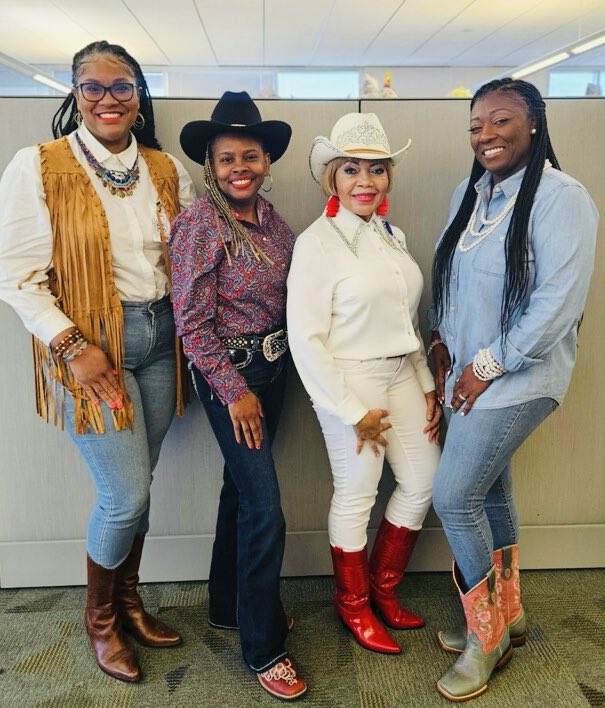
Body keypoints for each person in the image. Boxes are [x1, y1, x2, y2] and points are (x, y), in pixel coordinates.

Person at [0, 41, 195, 682]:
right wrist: (70, 346)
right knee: (125, 494)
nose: (108, 99)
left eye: (122, 86)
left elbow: (190, 260)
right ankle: (101, 620)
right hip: (92, 350)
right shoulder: (40, 166)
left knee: (142, 487)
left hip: (161, 338)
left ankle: (129, 599)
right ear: (75, 93)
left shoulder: (166, 169)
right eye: (93, 87)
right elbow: (16, 275)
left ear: (139, 95)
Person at [429, 78, 598, 702]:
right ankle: (510, 615)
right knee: (492, 493)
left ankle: (487, 636)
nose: (486, 134)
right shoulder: (470, 195)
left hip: (520, 377)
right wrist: (441, 342)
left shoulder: (562, 198)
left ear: (533, 125)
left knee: (455, 495)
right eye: (476, 124)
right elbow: (453, 279)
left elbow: (558, 304)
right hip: (468, 376)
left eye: (501, 120)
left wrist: (488, 365)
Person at [287, 113, 441, 655]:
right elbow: (306, 340)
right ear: (332, 177)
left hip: (402, 373)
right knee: (357, 492)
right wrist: (352, 410)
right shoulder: (316, 244)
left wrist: (424, 380)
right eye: (351, 169)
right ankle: (352, 606)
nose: (365, 181)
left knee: (424, 482)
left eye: (377, 169)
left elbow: (407, 319)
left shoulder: (392, 235)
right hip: (349, 382)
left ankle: (382, 590)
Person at [169, 91, 307, 701]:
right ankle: (263, 644)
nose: (239, 168)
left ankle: (227, 605)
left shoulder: (277, 224)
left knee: (239, 490)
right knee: (265, 509)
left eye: (250, 155)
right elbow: (191, 323)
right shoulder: (198, 223)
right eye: (227, 159)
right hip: (231, 377)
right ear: (210, 165)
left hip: (275, 373)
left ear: (267, 160)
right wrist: (234, 394)